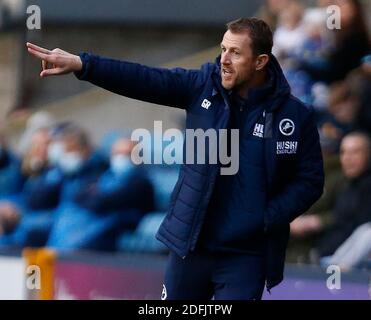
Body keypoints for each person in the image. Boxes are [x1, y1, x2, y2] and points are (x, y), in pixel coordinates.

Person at [26, 17, 324, 300]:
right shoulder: (201, 86)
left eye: (235, 52)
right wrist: (83, 64)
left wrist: (266, 217)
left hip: (245, 255)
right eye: (222, 49)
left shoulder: (294, 116)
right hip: (190, 248)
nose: (224, 59)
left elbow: (310, 181)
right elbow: (145, 78)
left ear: (260, 62)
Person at [314, 131, 371, 259]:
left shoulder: (367, 186)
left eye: (355, 152)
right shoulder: (345, 184)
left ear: (368, 155)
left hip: (346, 268)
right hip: (325, 256)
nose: (347, 158)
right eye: (343, 152)